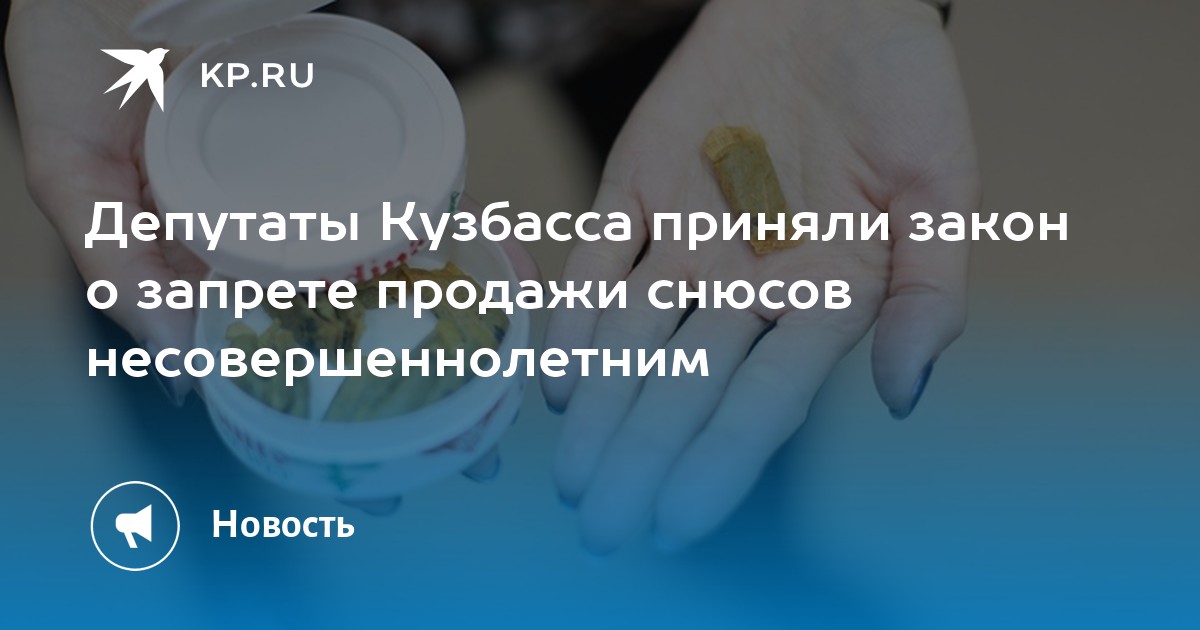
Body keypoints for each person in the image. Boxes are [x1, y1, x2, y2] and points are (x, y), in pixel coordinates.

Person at [6, 0, 979, 554]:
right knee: (164, 252)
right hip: (244, 18)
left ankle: (736, 549)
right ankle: (221, 556)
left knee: (709, 313)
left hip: (678, 17)